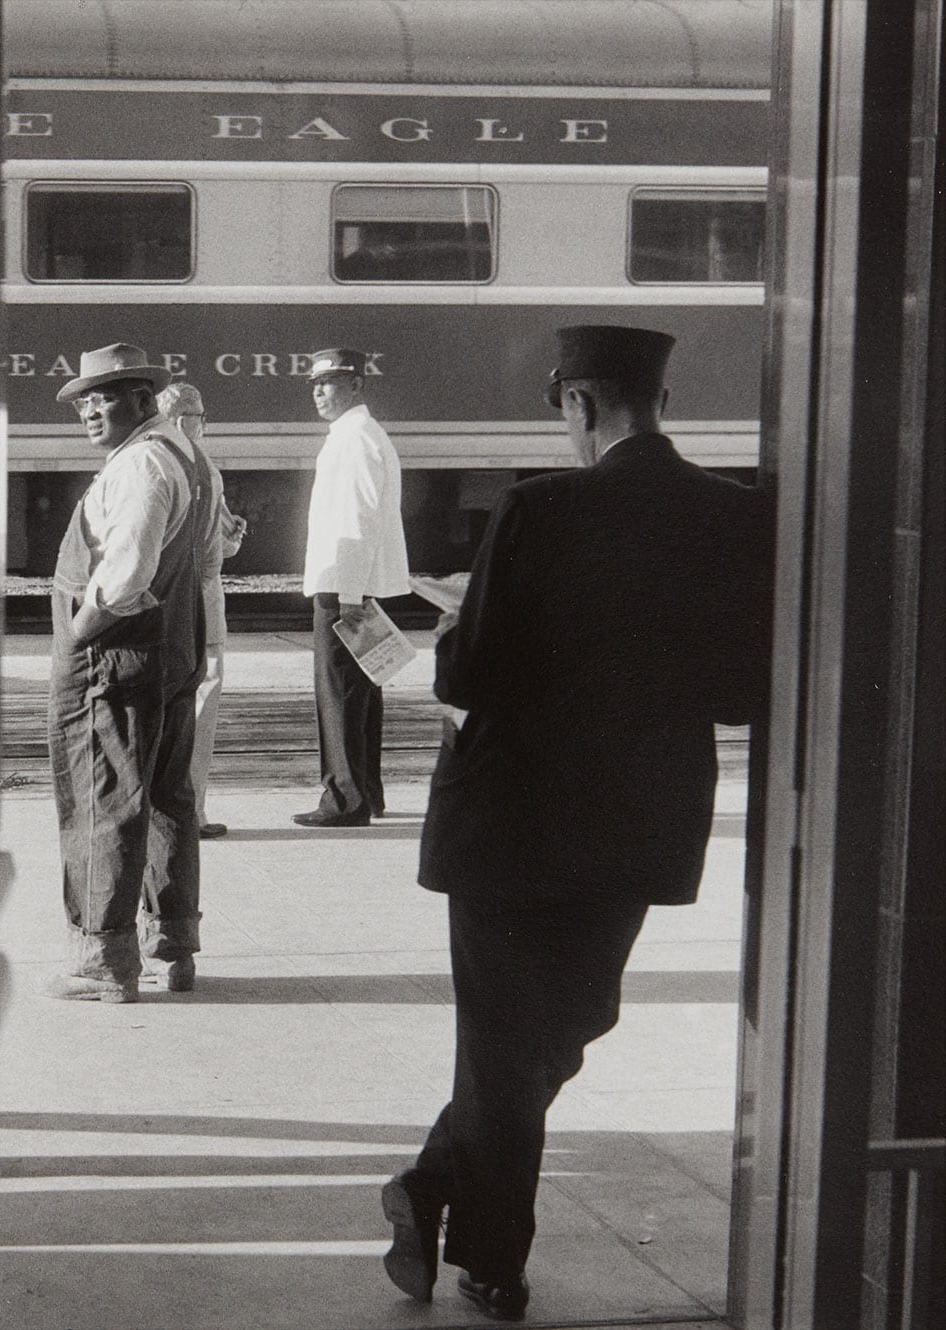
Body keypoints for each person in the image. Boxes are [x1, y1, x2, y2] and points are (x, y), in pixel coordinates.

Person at [379, 325, 771, 1321]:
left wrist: (460, 622)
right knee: (559, 1028)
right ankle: (488, 1254)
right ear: (657, 399)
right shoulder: (732, 516)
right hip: (634, 819)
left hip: (507, 821)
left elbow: (467, 675)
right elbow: (736, 688)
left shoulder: (534, 507)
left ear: (577, 405)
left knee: (512, 1043)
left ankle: (430, 1187)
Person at [44, 345, 209, 1002]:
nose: (88, 409)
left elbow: (127, 572)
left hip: (113, 658)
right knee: (168, 801)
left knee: (101, 802)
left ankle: (102, 961)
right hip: (169, 650)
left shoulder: (140, 463)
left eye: (103, 396)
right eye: (83, 398)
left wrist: (81, 628)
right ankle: (171, 942)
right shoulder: (184, 454)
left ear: (142, 397)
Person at [295, 347, 410, 827]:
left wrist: (348, 595)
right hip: (350, 582)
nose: (320, 392)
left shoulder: (355, 437)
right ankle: (367, 794)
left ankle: (344, 799)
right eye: (316, 384)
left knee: (338, 693)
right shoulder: (356, 434)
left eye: (331, 382)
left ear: (357, 385)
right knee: (360, 694)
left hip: (342, 584)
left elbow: (359, 518)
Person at [155, 383, 248, 839]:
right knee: (199, 706)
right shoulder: (205, 469)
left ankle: (158, 810)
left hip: (156, 610)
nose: (205, 426)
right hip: (201, 610)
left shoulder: (146, 460)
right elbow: (214, 558)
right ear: (182, 421)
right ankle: (191, 810)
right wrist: (229, 541)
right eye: (201, 417)